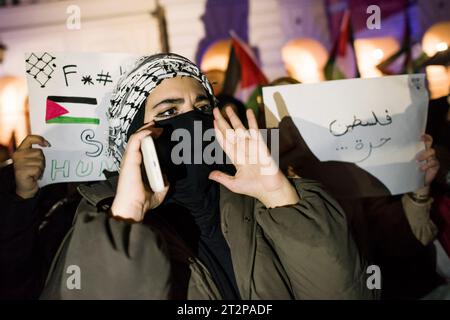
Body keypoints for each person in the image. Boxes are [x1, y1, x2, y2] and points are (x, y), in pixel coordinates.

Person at [0, 53, 372, 299]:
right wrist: (126, 219)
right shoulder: (96, 223)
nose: (192, 120)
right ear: (131, 135)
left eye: (201, 106)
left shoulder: (260, 201)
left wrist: (279, 194)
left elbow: (344, 291)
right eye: (167, 112)